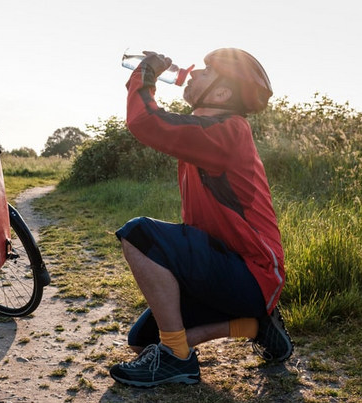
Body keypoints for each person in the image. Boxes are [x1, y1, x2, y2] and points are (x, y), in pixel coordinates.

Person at [109, 48, 294, 388]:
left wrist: (147, 71)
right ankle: (257, 327)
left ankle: (177, 359)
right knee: (141, 341)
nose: (193, 73)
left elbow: (144, 121)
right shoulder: (211, 129)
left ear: (222, 92)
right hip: (229, 269)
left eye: (206, 72)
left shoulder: (228, 131)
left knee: (139, 235)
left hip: (252, 273)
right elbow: (161, 124)